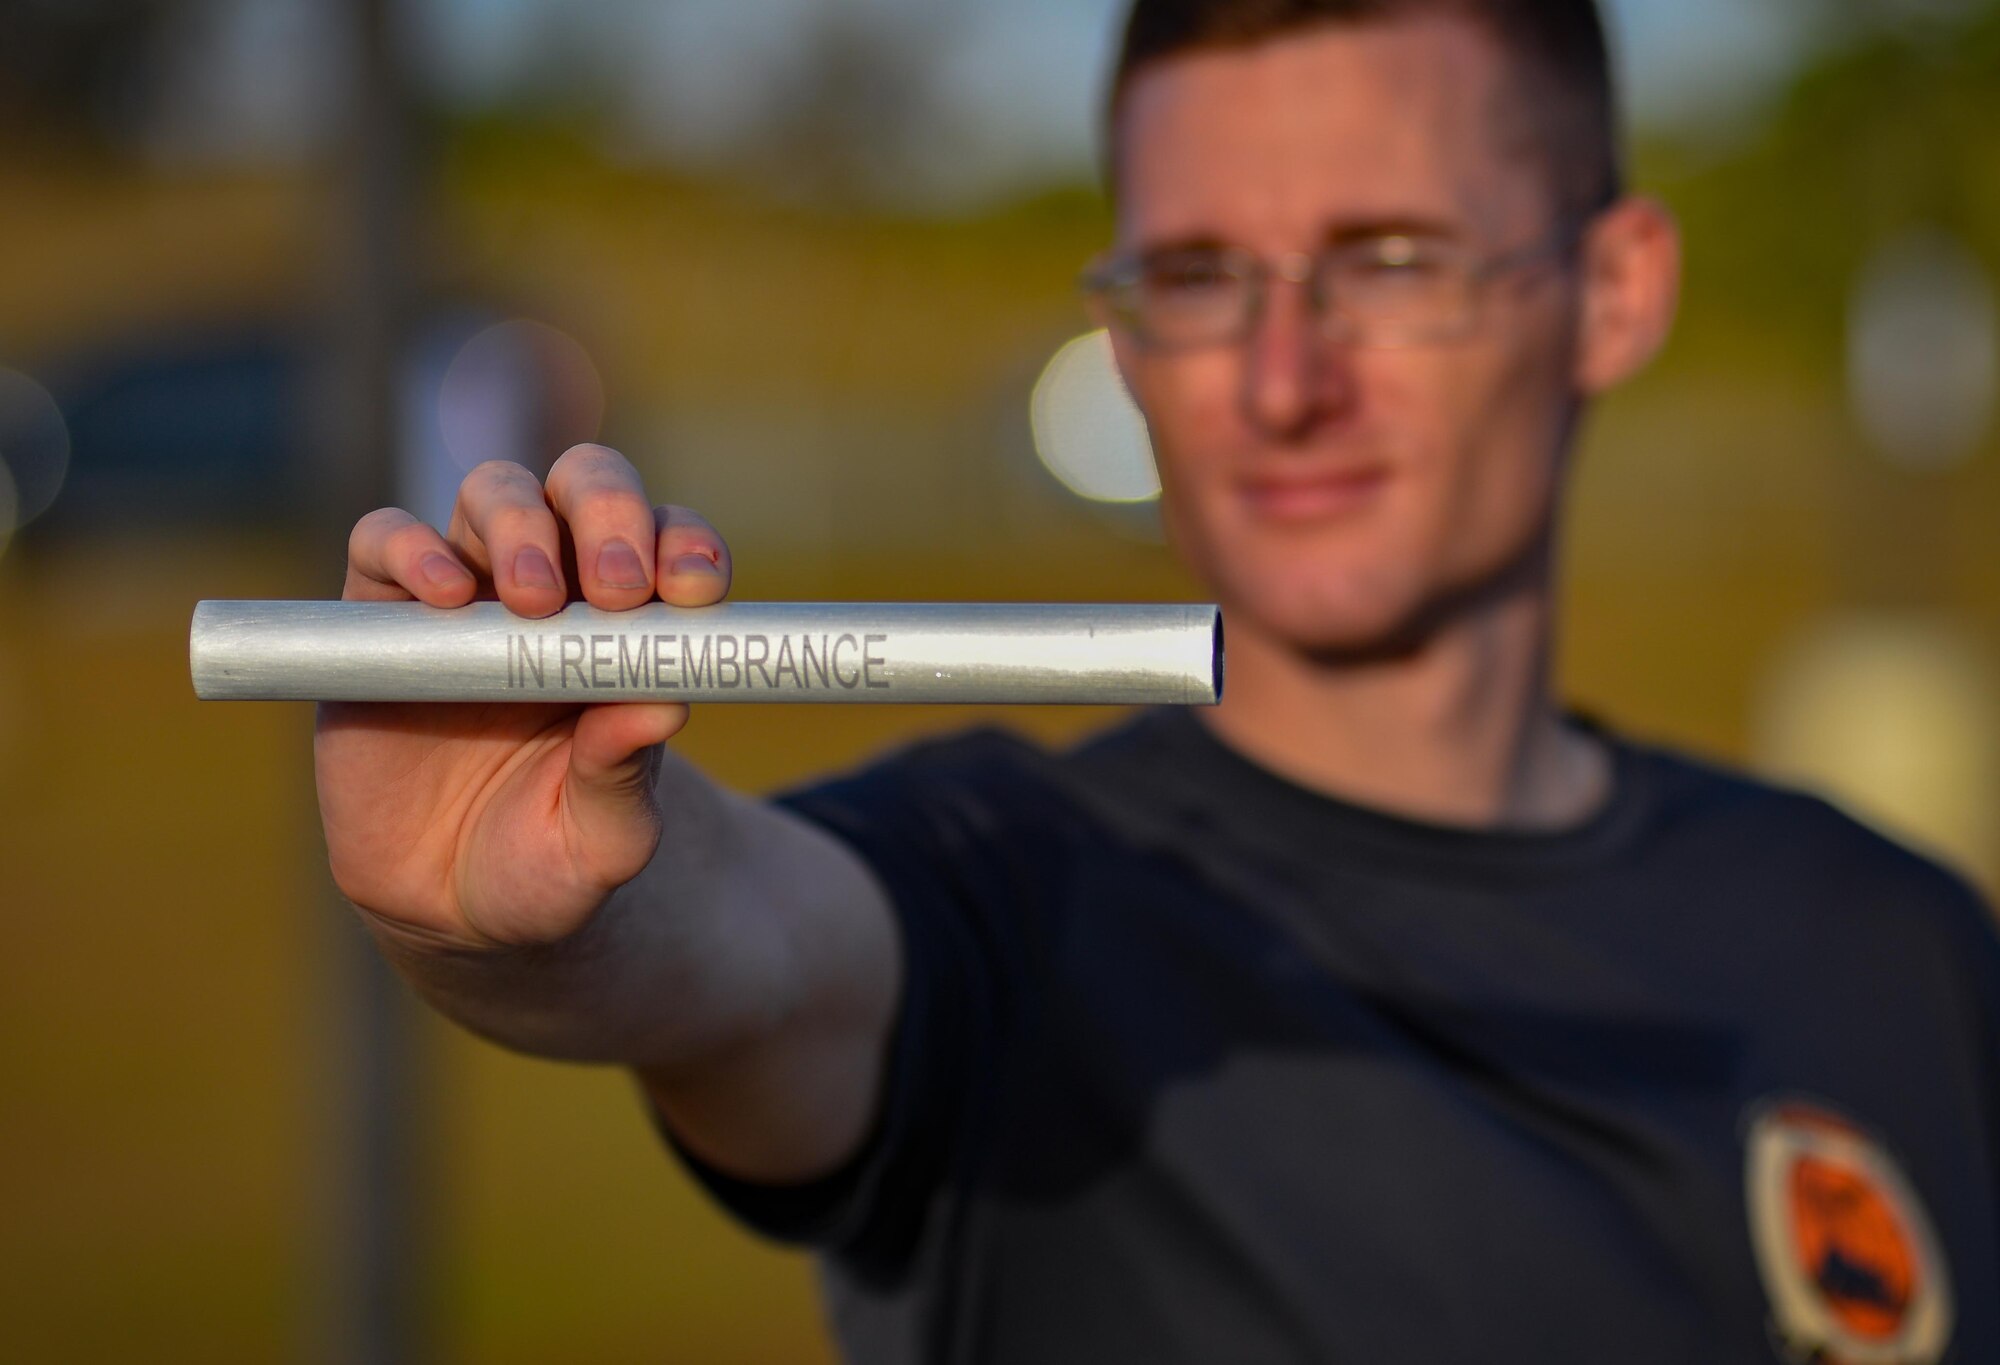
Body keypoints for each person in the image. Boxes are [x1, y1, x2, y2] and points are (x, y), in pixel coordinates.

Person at [313, 0, 2000, 1361]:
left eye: (1391, 258)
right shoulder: (1012, 885)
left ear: (1612, 292)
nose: (1280, 380)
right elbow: (748, 946)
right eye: (1196, 276)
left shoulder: (1900, 938)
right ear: (1125, 340)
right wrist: (529, 911)